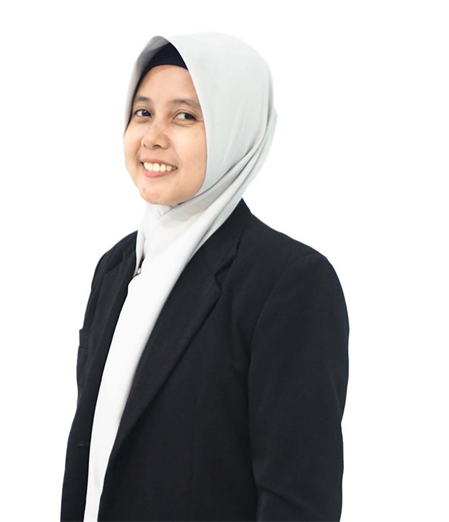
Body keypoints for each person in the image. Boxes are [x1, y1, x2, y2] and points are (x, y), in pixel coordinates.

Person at [60, 32, 349, 522]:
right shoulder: (115, 269)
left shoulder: (289, 283)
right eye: (143, 112)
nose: (153, 136)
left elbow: (299, 502)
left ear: (235, 129)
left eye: (185, 116)